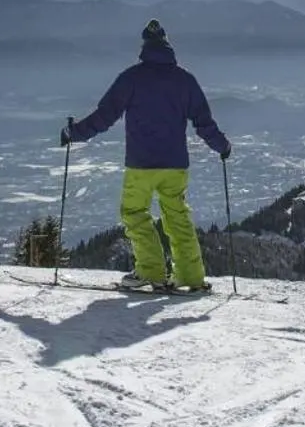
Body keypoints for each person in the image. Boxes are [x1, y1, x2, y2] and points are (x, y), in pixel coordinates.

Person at [63, 19, 231, 292]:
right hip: (175, 166)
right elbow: (204, 123)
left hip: (140, 164)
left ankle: (151, 271)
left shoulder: (132, 78)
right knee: (177, 216)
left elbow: (105, 116)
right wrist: (222, 146)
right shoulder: (185, 80)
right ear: (168, 46)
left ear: (144, 46)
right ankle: (190, 278)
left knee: (134, 212)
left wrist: (74, 133)